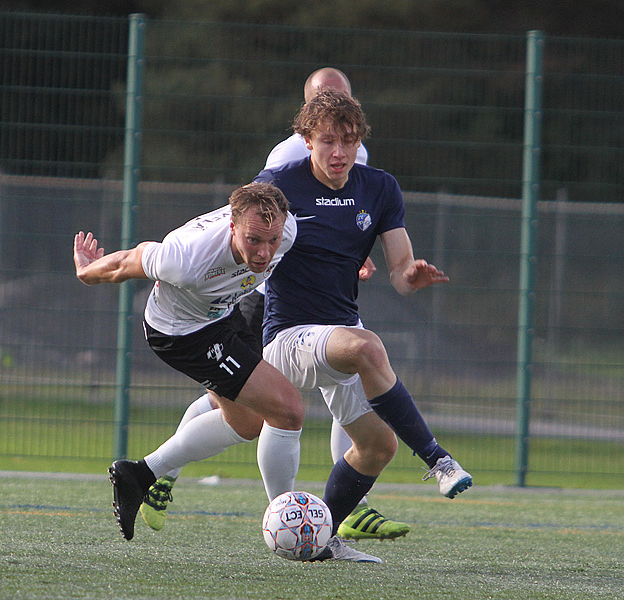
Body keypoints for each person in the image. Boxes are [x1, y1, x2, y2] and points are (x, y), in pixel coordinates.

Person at [140, 68, 411, 543]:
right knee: (237, 401)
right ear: (306, 122)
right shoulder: (288, 158)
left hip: (324, 304)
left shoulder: (355, 152)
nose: (336, 113)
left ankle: (352, 505)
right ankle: (167, 473)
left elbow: (347, 218)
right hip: (267, 302)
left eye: (343, 99)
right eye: (324, 101)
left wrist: (353, 254)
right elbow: (257, 221)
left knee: (346, 388)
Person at [255, 90, 473, 549]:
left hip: (339, 335)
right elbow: (245, 241)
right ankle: (438, 459)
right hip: (287, 337)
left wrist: (411, 275)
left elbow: (399, 270)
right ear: (306, 139)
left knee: (378, 447)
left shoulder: (380, 187)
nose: (340, 153)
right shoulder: (278, 185)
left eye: (350, 141)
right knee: (366, 346)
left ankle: (318, 538)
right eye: (329, 141)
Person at [74, 183, 305, 543]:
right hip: (180, 334)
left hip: (221, 316)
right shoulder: (185, 259)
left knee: (248, 423)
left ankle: (141, 474)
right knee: (287, 409)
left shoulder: (286, 231)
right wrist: (86, 272)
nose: (264, 253)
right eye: (254, 240)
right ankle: (289, 522)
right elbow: (124, 263)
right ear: (232, 226)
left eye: (272, 240)